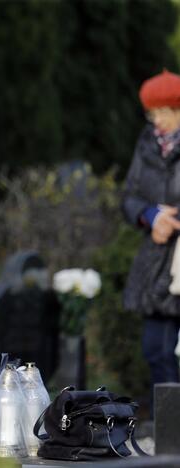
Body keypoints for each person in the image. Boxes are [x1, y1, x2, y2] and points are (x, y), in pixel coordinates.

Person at [122, 69, 180, 410]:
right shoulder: (147, 144)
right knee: (155, 348)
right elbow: (128, 195)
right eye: (152, 112)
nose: (156, 120)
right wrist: (150, 216)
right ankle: (173, 432)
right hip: (157, 261)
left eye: (162, 112)